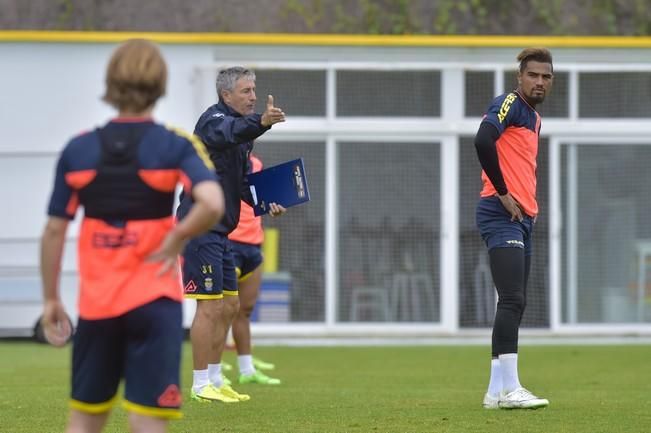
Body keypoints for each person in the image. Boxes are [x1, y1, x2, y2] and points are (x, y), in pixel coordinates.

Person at [40, 39, 224, 433]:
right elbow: (211, 202)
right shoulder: (175, 146)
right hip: (155, 305)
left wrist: (52, 298)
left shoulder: (79, 150)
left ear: (111, 84)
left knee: (85, 421)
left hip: (98, 306)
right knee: (147, 423)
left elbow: (55, 229)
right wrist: (177, 237)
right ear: (160, 85)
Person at [178, 66, 286, 403]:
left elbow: (240, 183)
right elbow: (230, 133)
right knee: (208, 308)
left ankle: (214, 378)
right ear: (226, 95)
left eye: (254, 90)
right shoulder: (213, 121)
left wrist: (266, 201)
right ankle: (199, 386)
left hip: (221, 231)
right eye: (246, 91)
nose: (253, 96)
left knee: (229, 305)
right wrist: (262, 122)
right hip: (201, 228)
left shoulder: (243, 132)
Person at [474, 47, 553, 410]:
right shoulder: (509, 103)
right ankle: (511, 389)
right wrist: (504, 193)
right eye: (533, 74)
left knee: (515, 303)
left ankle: (495, 390)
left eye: (546, 76)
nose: (539, 81)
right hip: (499, 211)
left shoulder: (534, 118)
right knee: (512, 299)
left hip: (523, 218)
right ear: (519, 77)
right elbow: (483, 139)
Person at [227, 153, 281, 385]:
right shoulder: (223, 160)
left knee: (245, 310)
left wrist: (273, 206)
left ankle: (246, 370)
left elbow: (262, 200)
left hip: (253, 244)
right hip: (227, 241)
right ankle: (212, 374)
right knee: (220, 311)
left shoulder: (257, 163)